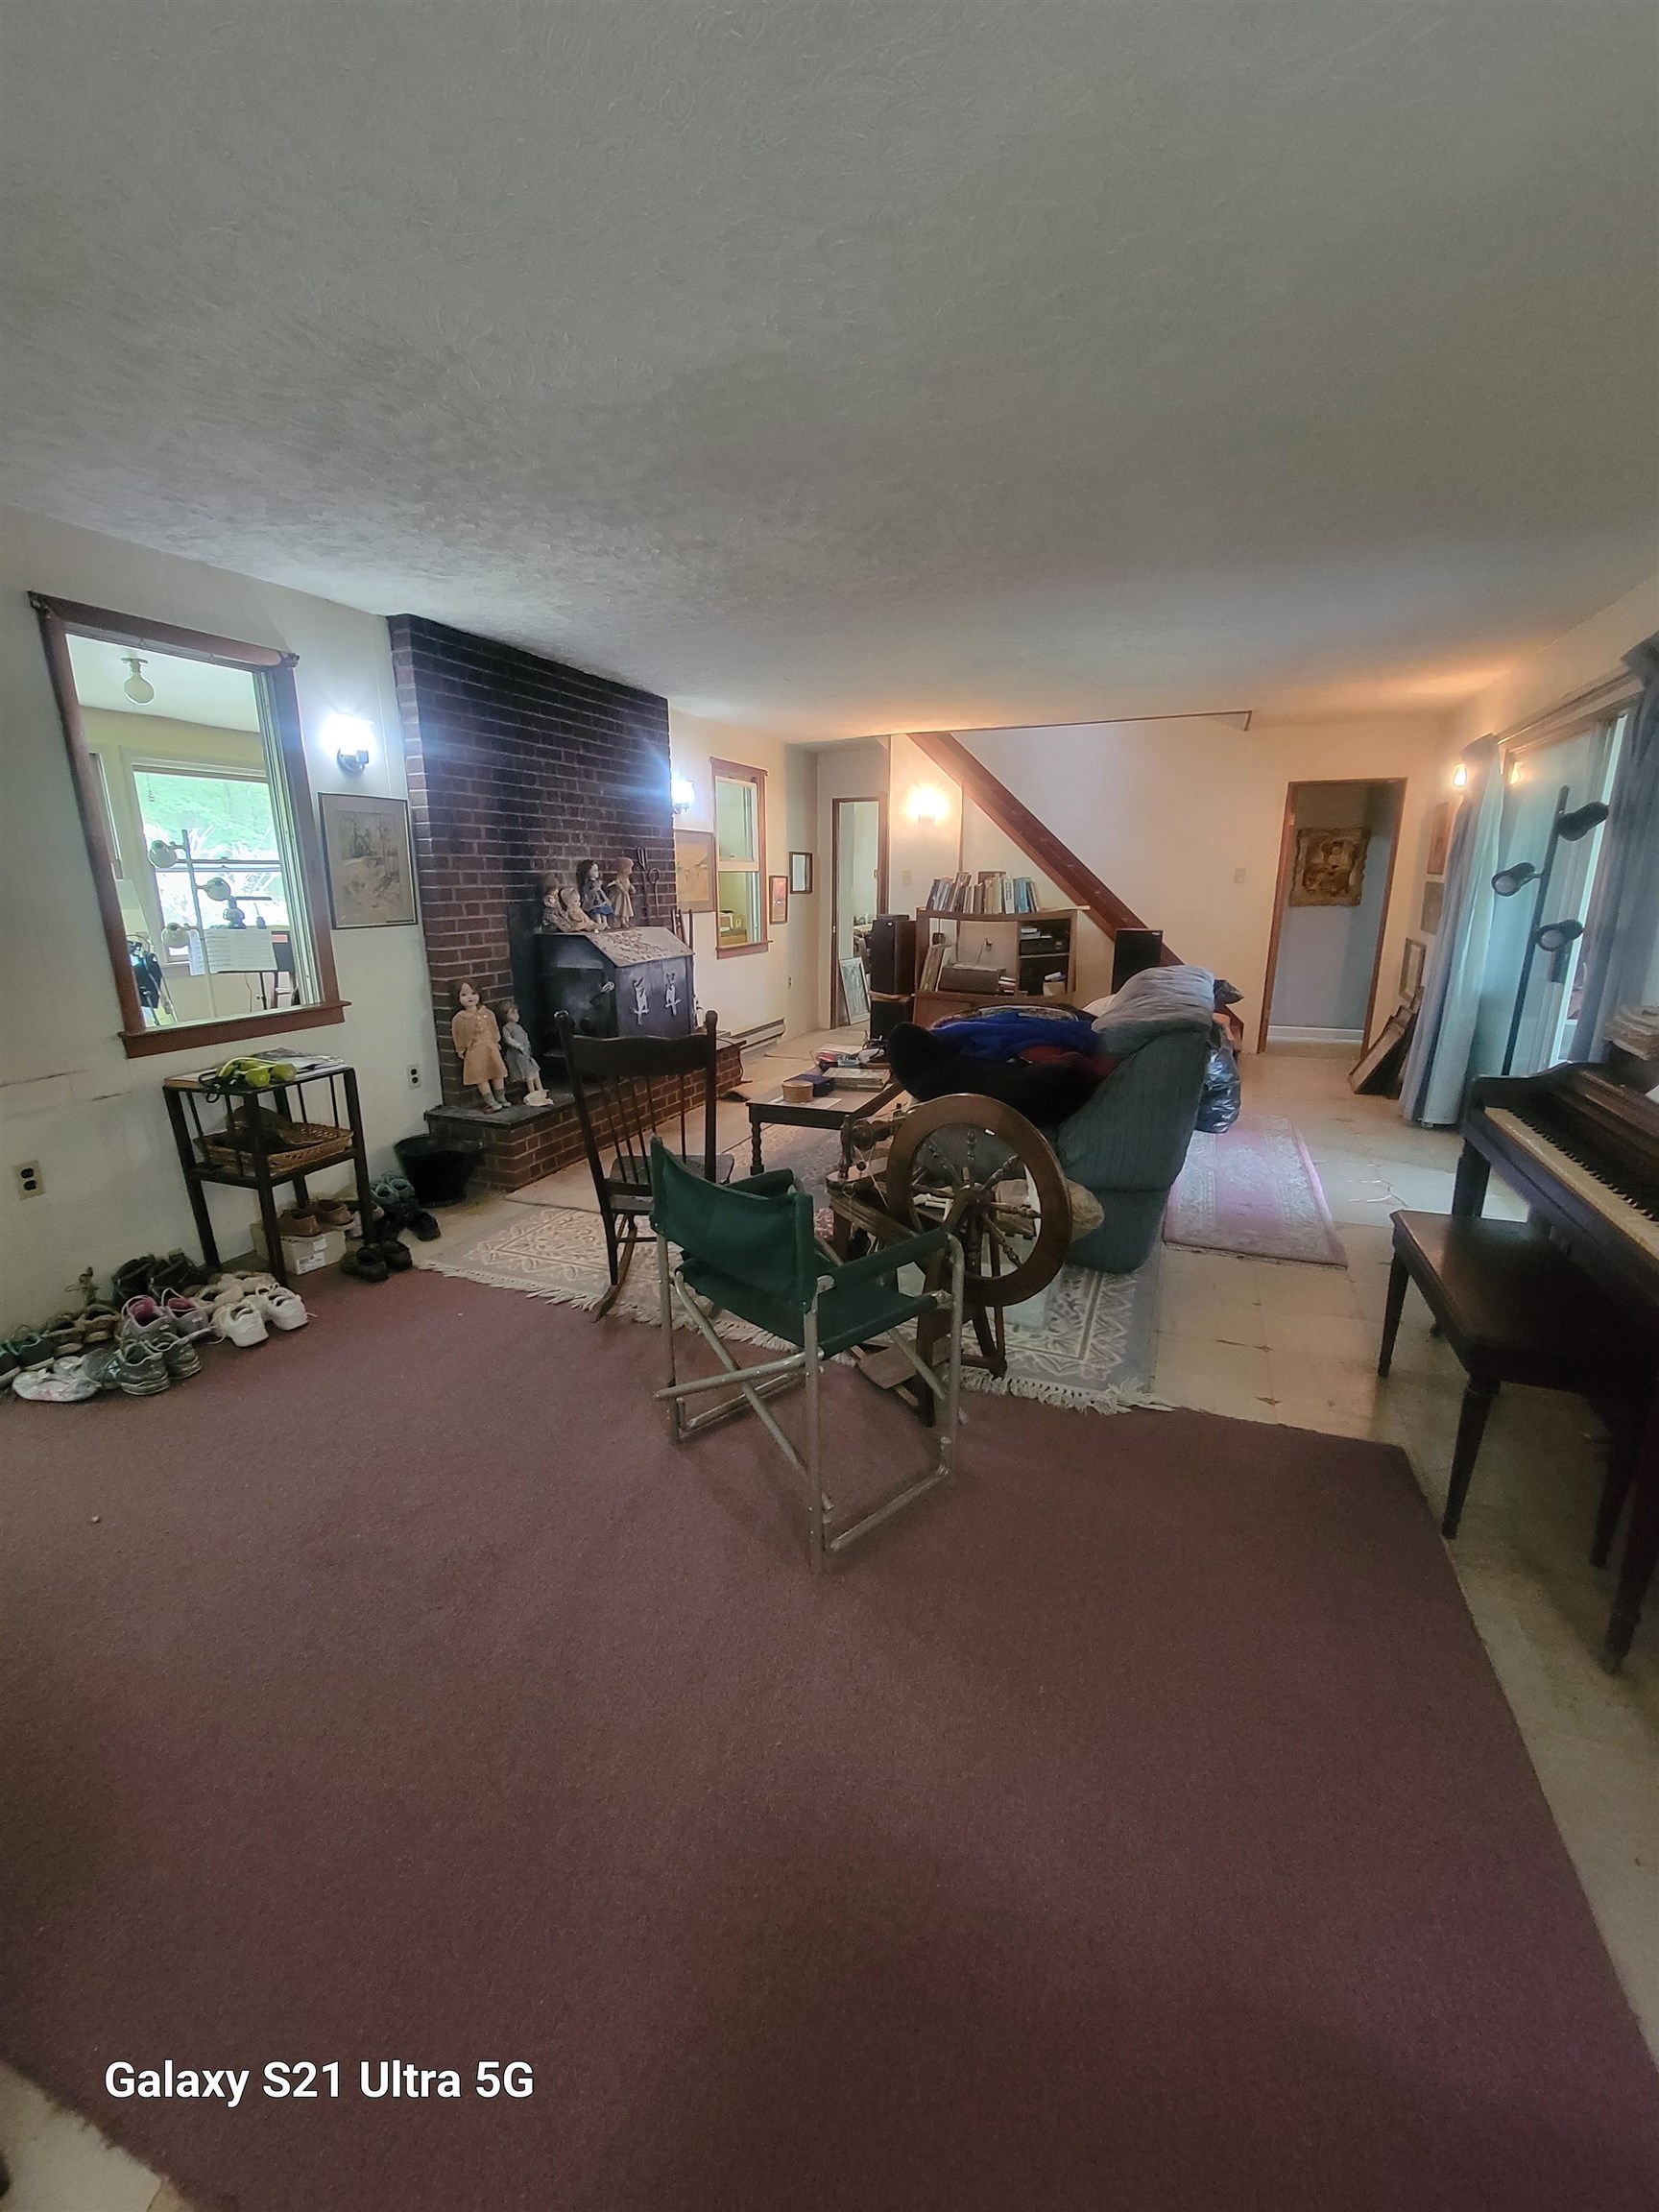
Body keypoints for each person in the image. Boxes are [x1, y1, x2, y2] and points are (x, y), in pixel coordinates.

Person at [451, 981, 508, 1110]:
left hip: (490, 1046)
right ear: (458, 998)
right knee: (480, 1075)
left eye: (473, 993)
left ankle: (501, 1097)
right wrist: (460, 1049)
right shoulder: (460, 1018)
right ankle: (490, 1100)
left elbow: (493, 1027)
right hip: (474, 1050)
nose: (469, 997)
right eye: (464, 994)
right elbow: (457, 1034)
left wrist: (496, 1041)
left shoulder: (487, 1013)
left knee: (497, 1072)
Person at [497, 998, 547, 1104]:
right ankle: (532, 1092)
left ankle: (540, 1089)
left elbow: (524, 1037)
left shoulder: (518, 1026)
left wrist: (527, 1046)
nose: (516, 1015)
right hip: (518, 1054)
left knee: (535, 1071)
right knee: (528, 1073)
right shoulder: (507, 1028)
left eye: (516, 1012)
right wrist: (518, 1045)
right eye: (513, 1013)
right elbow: (508, 1039)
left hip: (526, 1052)